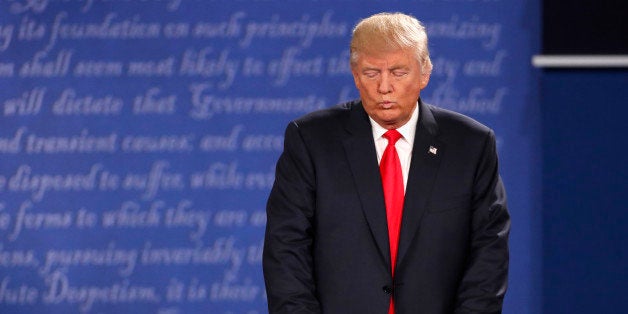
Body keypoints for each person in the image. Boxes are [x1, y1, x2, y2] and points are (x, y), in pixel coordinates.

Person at [263, 12, 510, 314]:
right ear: (355, 75)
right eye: (371, 73)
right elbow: (286, 249)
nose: (384, 87)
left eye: (398, 72)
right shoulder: (311, 141)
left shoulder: (471, 145)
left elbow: (488, 251)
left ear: (425, 73)